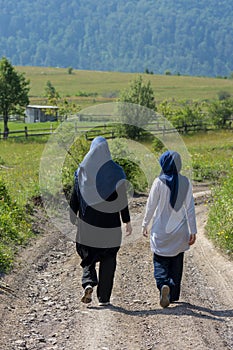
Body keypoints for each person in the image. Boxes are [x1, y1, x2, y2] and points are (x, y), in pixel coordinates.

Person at [70, 136, 132, 306]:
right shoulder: (116, 171)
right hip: (110, 225)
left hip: (87, 223)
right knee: (109, 257)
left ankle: (88, 282)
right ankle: (104, 298)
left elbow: (75, 197)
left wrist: (72, 216)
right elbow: (122, 200)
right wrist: (126, 220)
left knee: (87, 253)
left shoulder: (81, 171)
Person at [142, 150, 197, 308]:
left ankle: (162, 285)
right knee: (176, 263)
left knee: (160, 261)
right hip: (180, 232)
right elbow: (191, 209)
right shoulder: (185, 182)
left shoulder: (158, 182)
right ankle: (172, 294)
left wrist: (144, 224)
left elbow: (151, 206)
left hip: (161, 231)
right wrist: (193, 231)